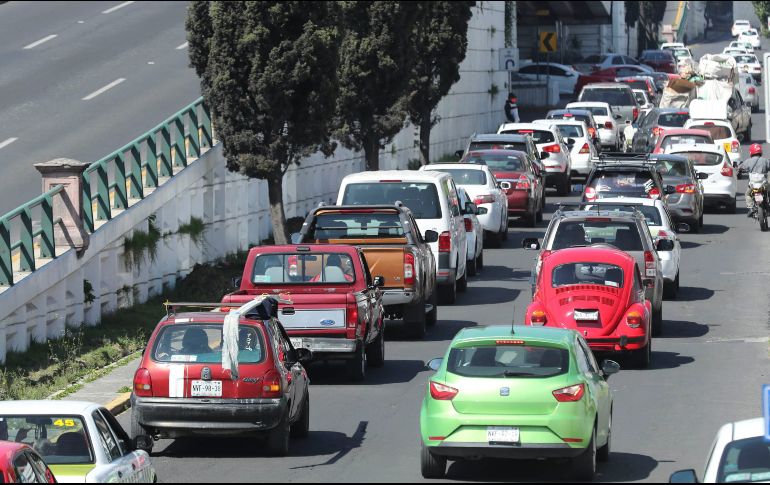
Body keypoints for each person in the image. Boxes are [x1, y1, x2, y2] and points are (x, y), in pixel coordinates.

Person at [738, 144, 770, 217]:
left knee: (747, 194)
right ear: (760, 151)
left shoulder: (748, 161)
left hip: (752, 185)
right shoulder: (765, 160)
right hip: (763, 183)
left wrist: (739, 170)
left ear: (751, 152)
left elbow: (740, 168)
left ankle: (751, 208)